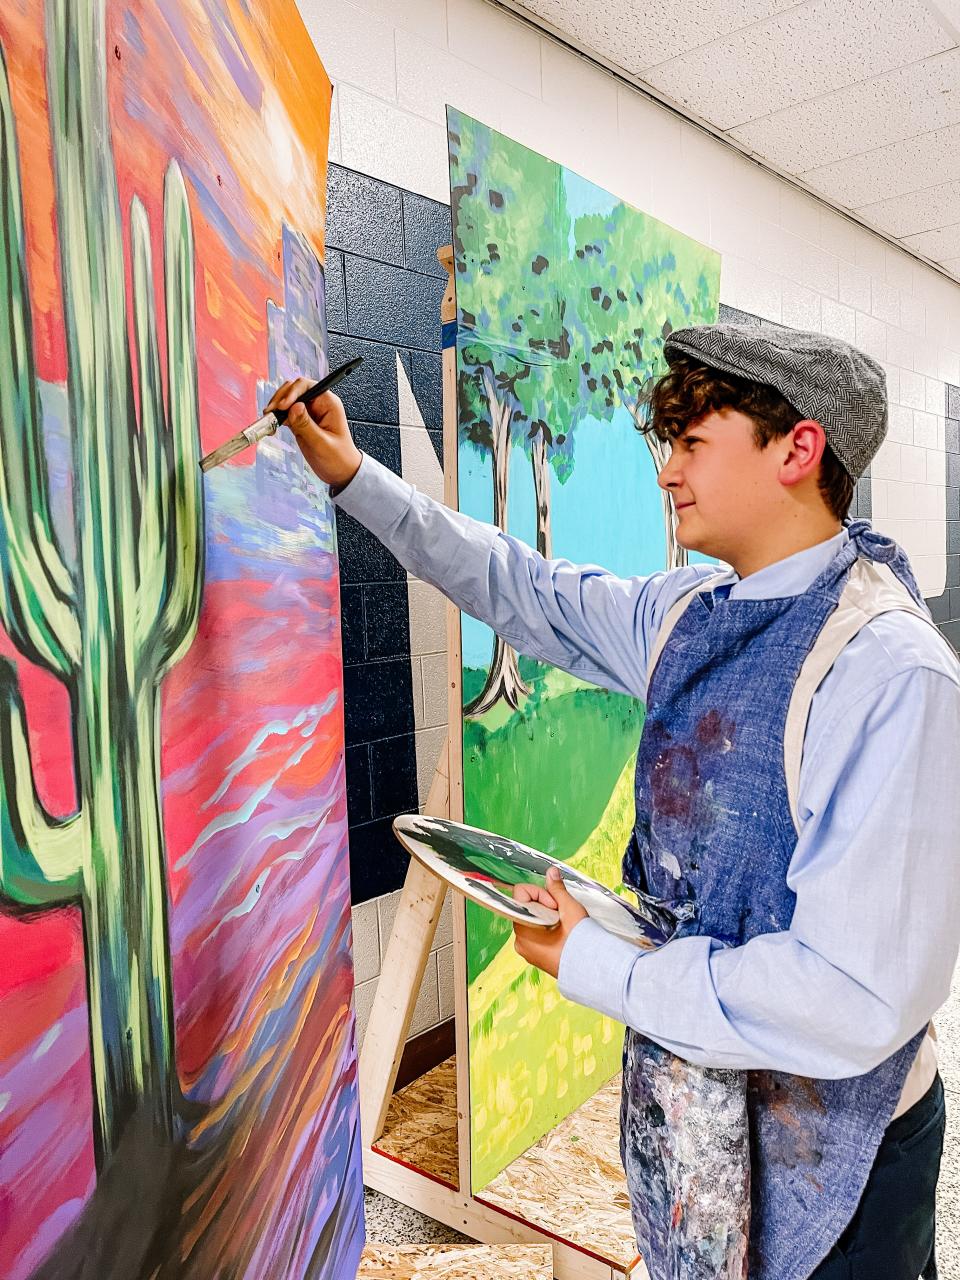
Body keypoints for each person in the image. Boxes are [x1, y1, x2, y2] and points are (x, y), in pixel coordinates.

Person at [266, 324, 960, 1280]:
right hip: (698, 1113)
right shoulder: (688, 613)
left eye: (692, 442)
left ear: (797, 450)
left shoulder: (890, 674)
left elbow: (852, 996)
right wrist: (353, 477)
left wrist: (604, 965)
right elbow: (519, 585)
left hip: (837, 1162)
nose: (669, 471)